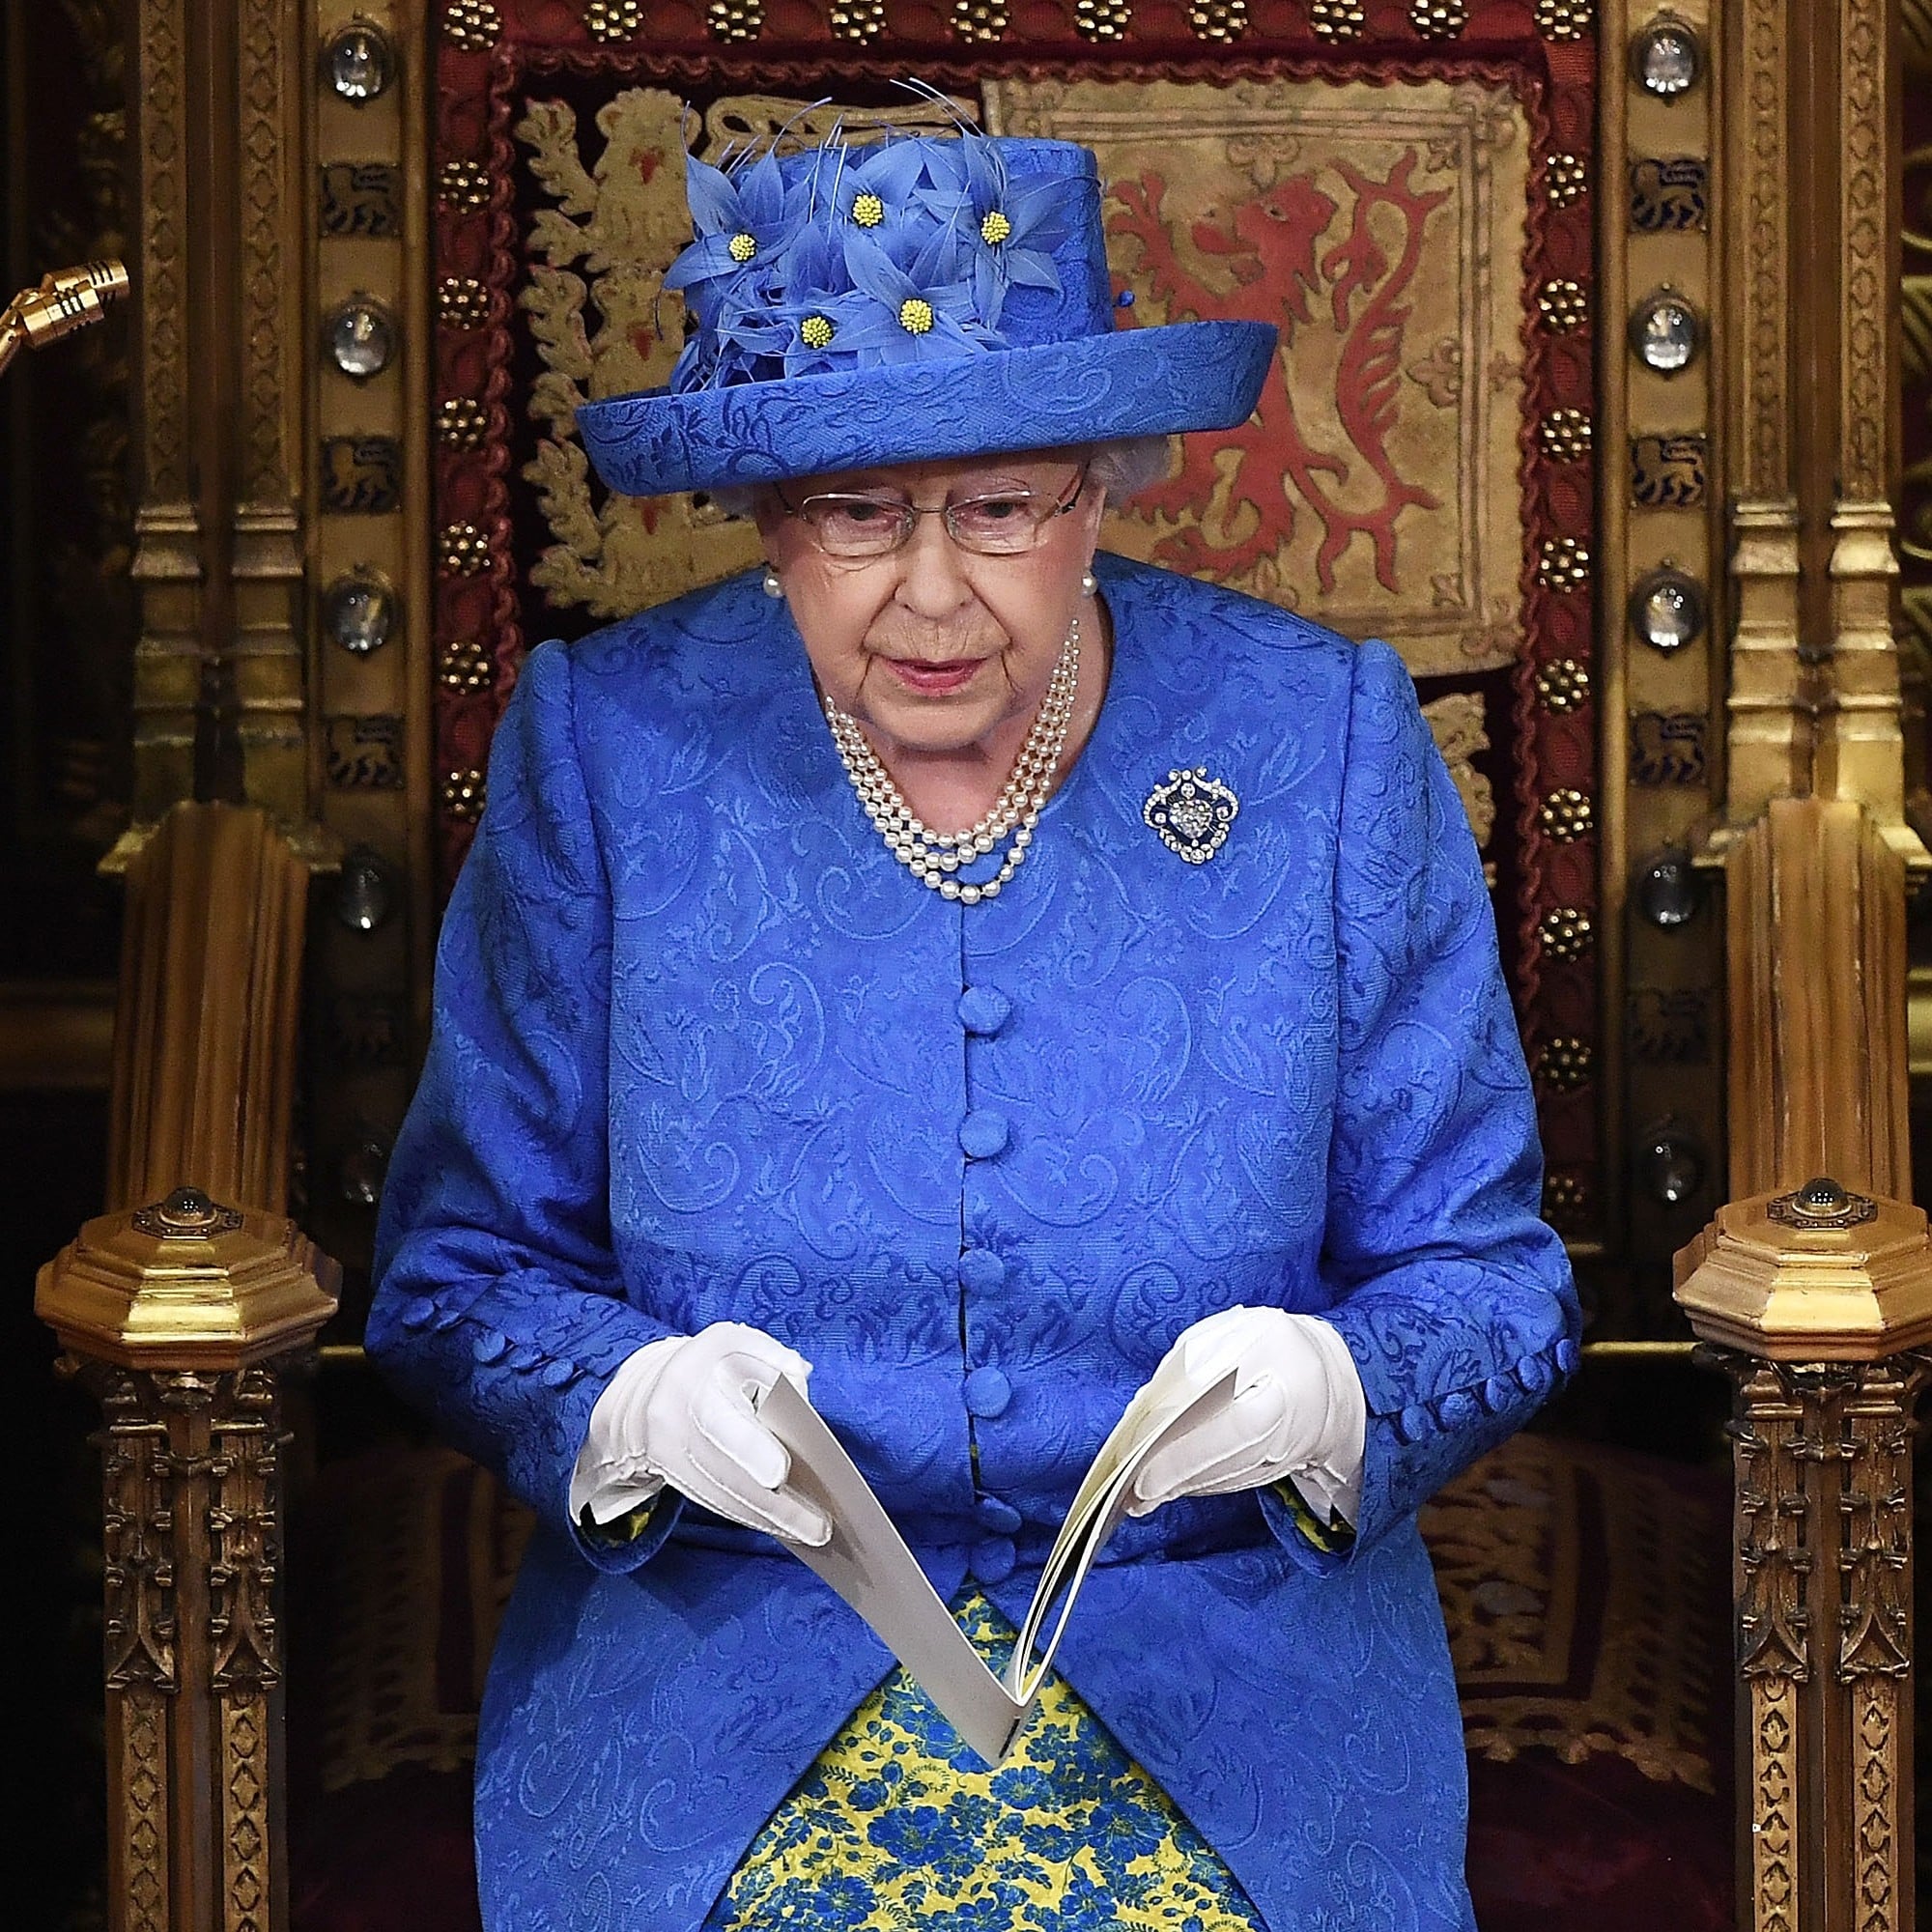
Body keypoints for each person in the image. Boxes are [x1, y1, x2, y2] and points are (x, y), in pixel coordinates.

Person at [368, 120, 1578, 1932]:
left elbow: (1490, 1278)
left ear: (1103, 490)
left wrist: (1339, 1395)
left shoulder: (1315, 739)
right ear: (769, 520)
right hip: (725, 1685)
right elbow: (455, 1275)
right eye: (858, 513)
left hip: (1232, 1680)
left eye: (1003, 506)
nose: (932, 594)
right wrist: (625, 1404)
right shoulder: (610, 751)